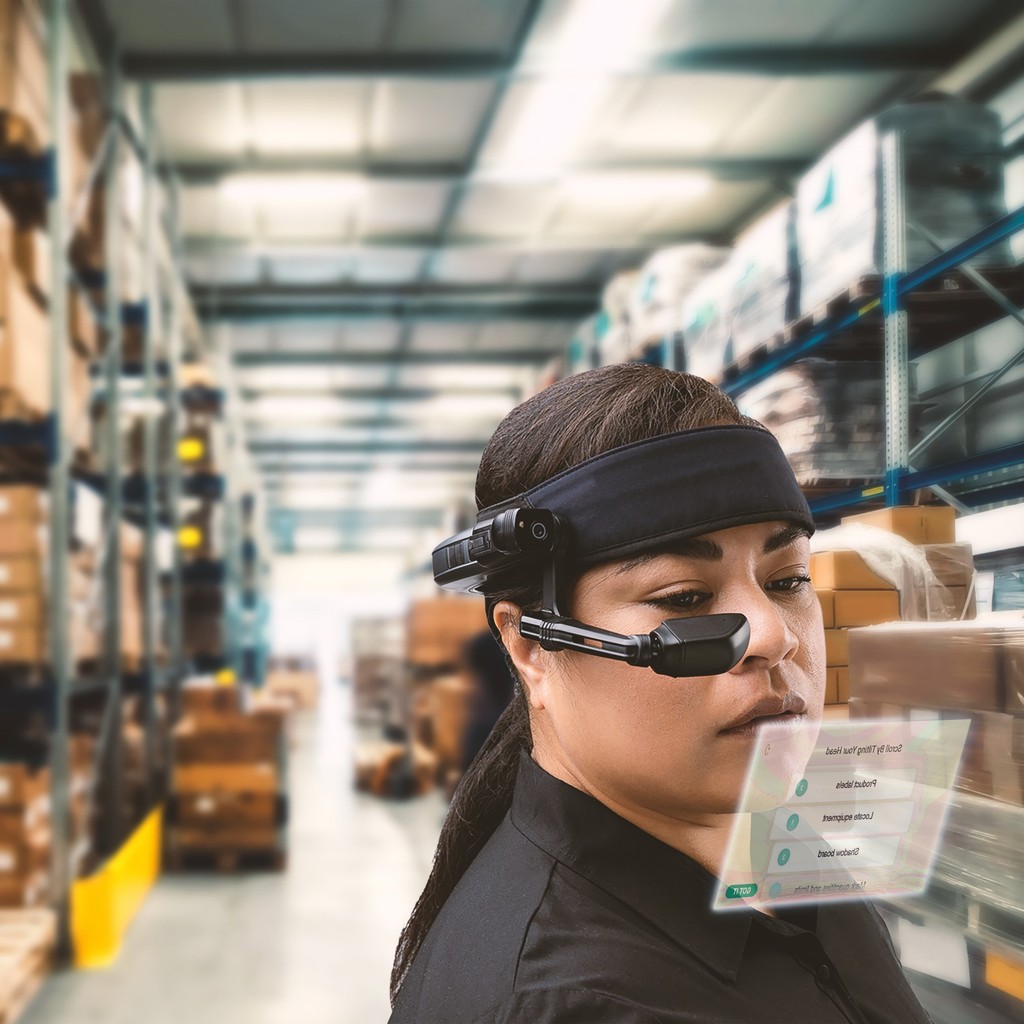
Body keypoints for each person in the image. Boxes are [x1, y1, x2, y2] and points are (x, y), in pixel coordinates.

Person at [389, 365, 930, 1023]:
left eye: (787, 581)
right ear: (532, 647)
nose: (772, 636)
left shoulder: (780, 844)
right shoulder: (571, 1004)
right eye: (685, 598)